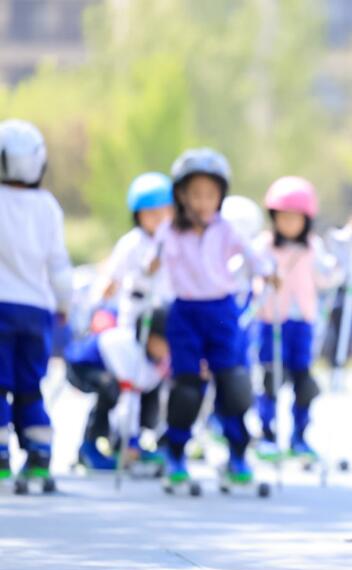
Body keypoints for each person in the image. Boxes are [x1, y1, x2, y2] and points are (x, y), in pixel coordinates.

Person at [149, 148, 273, 492]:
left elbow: (253, 258)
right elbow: (152, 262)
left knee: (232, 383)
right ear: (181, 196)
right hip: (185, 312)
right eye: (195, 195)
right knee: (188, 387)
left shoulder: (226, 230)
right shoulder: (170, 231)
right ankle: (174, 452)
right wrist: (148, 271)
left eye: (210, 194)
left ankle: (237, 454)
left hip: (221, 310)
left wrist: (268, 273)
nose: (203, 202)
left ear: (220, 196)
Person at [0, 119, 73, 491]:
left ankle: (0, 455)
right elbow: (58, 262)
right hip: (37, 310)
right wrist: (65, 302)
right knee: (30, 386)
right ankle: (40, 455)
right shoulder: (48, 206)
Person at [254, 176, 339, 463]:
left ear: (306, 220)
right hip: (271, 321)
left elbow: (326, 277)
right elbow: (251, 274)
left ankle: (299, 436)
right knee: (271, 378)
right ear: (274, 218)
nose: (289, 224)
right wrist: (265, 281)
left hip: (301, 323)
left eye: (295, 218)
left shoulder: (313, 247)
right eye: (283, 217)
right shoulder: (264, 245)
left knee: (303, 381)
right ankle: (266, 433)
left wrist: (343, 266)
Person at [65, 308, 169, 472]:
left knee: (151, 393)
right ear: (151, 339)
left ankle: (123, 445)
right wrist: (131, 441)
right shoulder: (130, 352)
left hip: (112, 374)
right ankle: (88, 448)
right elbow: (128, 401)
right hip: (82, 367)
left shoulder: (157, 359)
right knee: (110, 388)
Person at [96, 172, 174, 330]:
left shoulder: (177, 240)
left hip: (166, 314)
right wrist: (100, 305)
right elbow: (113, 278)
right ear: (138, 215)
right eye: (151, 213)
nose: (158, 218)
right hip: (135, 314)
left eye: (163, 211)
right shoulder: (131, 243)